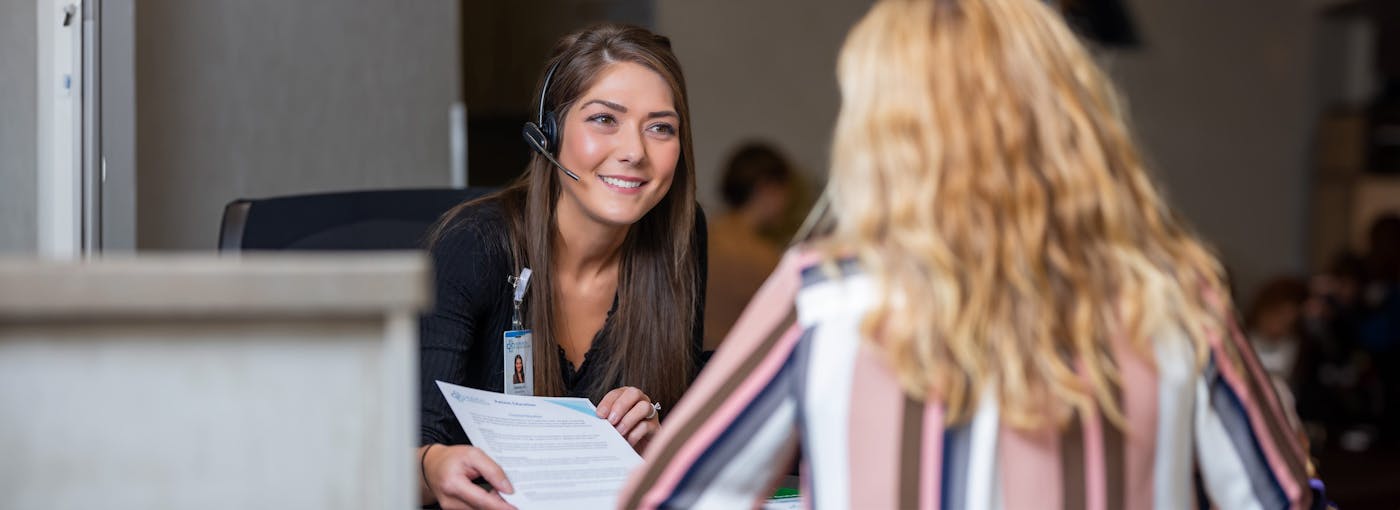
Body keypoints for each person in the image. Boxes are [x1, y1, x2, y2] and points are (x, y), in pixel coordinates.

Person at [620, 0, 1322, 508]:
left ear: (884, 133)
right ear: (1070, 116)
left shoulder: (824, 295)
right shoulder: (1175, 294)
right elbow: (1286, 498)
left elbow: (672, 498)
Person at [417, 24, 706, 510]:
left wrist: (658, 439)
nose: (635, 151)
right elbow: (399, 458)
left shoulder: (680, 234)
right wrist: (431, 466)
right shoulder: (474, 245)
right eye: (604, 120)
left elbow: (684, 429)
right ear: (548, 134)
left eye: (660, 127)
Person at [704, 142, 796, 349]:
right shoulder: (764, 258)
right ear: (767, 188)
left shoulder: (701, 235)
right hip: (728, 368)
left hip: (686, 366)